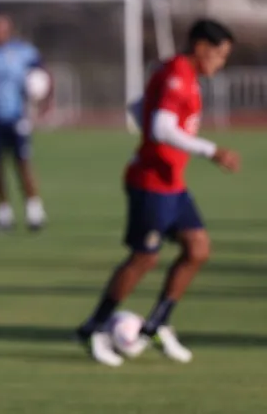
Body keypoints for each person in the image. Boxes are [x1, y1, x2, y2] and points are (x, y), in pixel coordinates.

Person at [76, 19, 239, 367]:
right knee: (144, 258)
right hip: (151, 184)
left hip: (172, 183)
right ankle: (94, 327)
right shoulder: (178, 74)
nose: (221, 63)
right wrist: (212, 151)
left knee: (197, 249)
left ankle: (156, 325)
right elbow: (161, 127)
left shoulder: (176, 72)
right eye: (220, 55)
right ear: (201, 47)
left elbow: (138, 108)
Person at [0, 14, 49, 231]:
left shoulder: (24, 52)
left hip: (17, 119)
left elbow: (42, 76)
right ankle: (3, 213)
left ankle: (34, 211)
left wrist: (42, 102)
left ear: (8, 31)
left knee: (23, 163)